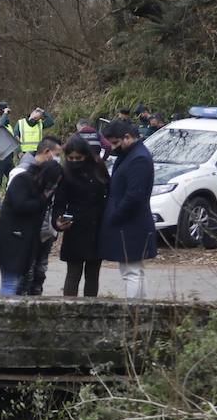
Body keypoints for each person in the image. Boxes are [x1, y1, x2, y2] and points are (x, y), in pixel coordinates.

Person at [98, 119, 157, 298]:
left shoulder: (138, 158)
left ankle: (134, 312)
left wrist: (115, 216)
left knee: (131, 272)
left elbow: (134, 196)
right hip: (130, 222)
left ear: (127, 137)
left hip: (132, 224)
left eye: (115, 143)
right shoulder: (130, 154)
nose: (113, 148)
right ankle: (140, 310)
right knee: (134, 271)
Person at [0, 160, 63, 296]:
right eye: (53, 183)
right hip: (11, 240)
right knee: (10, 283)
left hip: (24, 242)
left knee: (14, 283)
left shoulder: (39, 187)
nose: (53, 187)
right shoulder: (23, 181)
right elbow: (21, 205)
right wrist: (43, 198)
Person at [54, 134, 110, 296]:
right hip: (75, 228)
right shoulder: (65, 173)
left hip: (96, 226)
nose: (74, 161)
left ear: (85, 155)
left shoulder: (98, 167)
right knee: (73, 272)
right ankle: (69, 311)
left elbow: (109, 191)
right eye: (70, 158)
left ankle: (90, 309)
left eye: (78, 158)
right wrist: (58, 221)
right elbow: (59, 202)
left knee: (93, 273)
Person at [11, 136, 64, 294]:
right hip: (26, 232)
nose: (58, 159)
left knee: (40, 273)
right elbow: (16, 206)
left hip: (46, 231)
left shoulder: (55, 173)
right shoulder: (21, 172)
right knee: (26, 273)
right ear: (47, 152)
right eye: (57, 154)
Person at [0, 101, 15, 209]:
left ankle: (9, 199)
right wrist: (5, 114)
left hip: (9, 158)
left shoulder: (9, 125)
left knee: (14, 177)